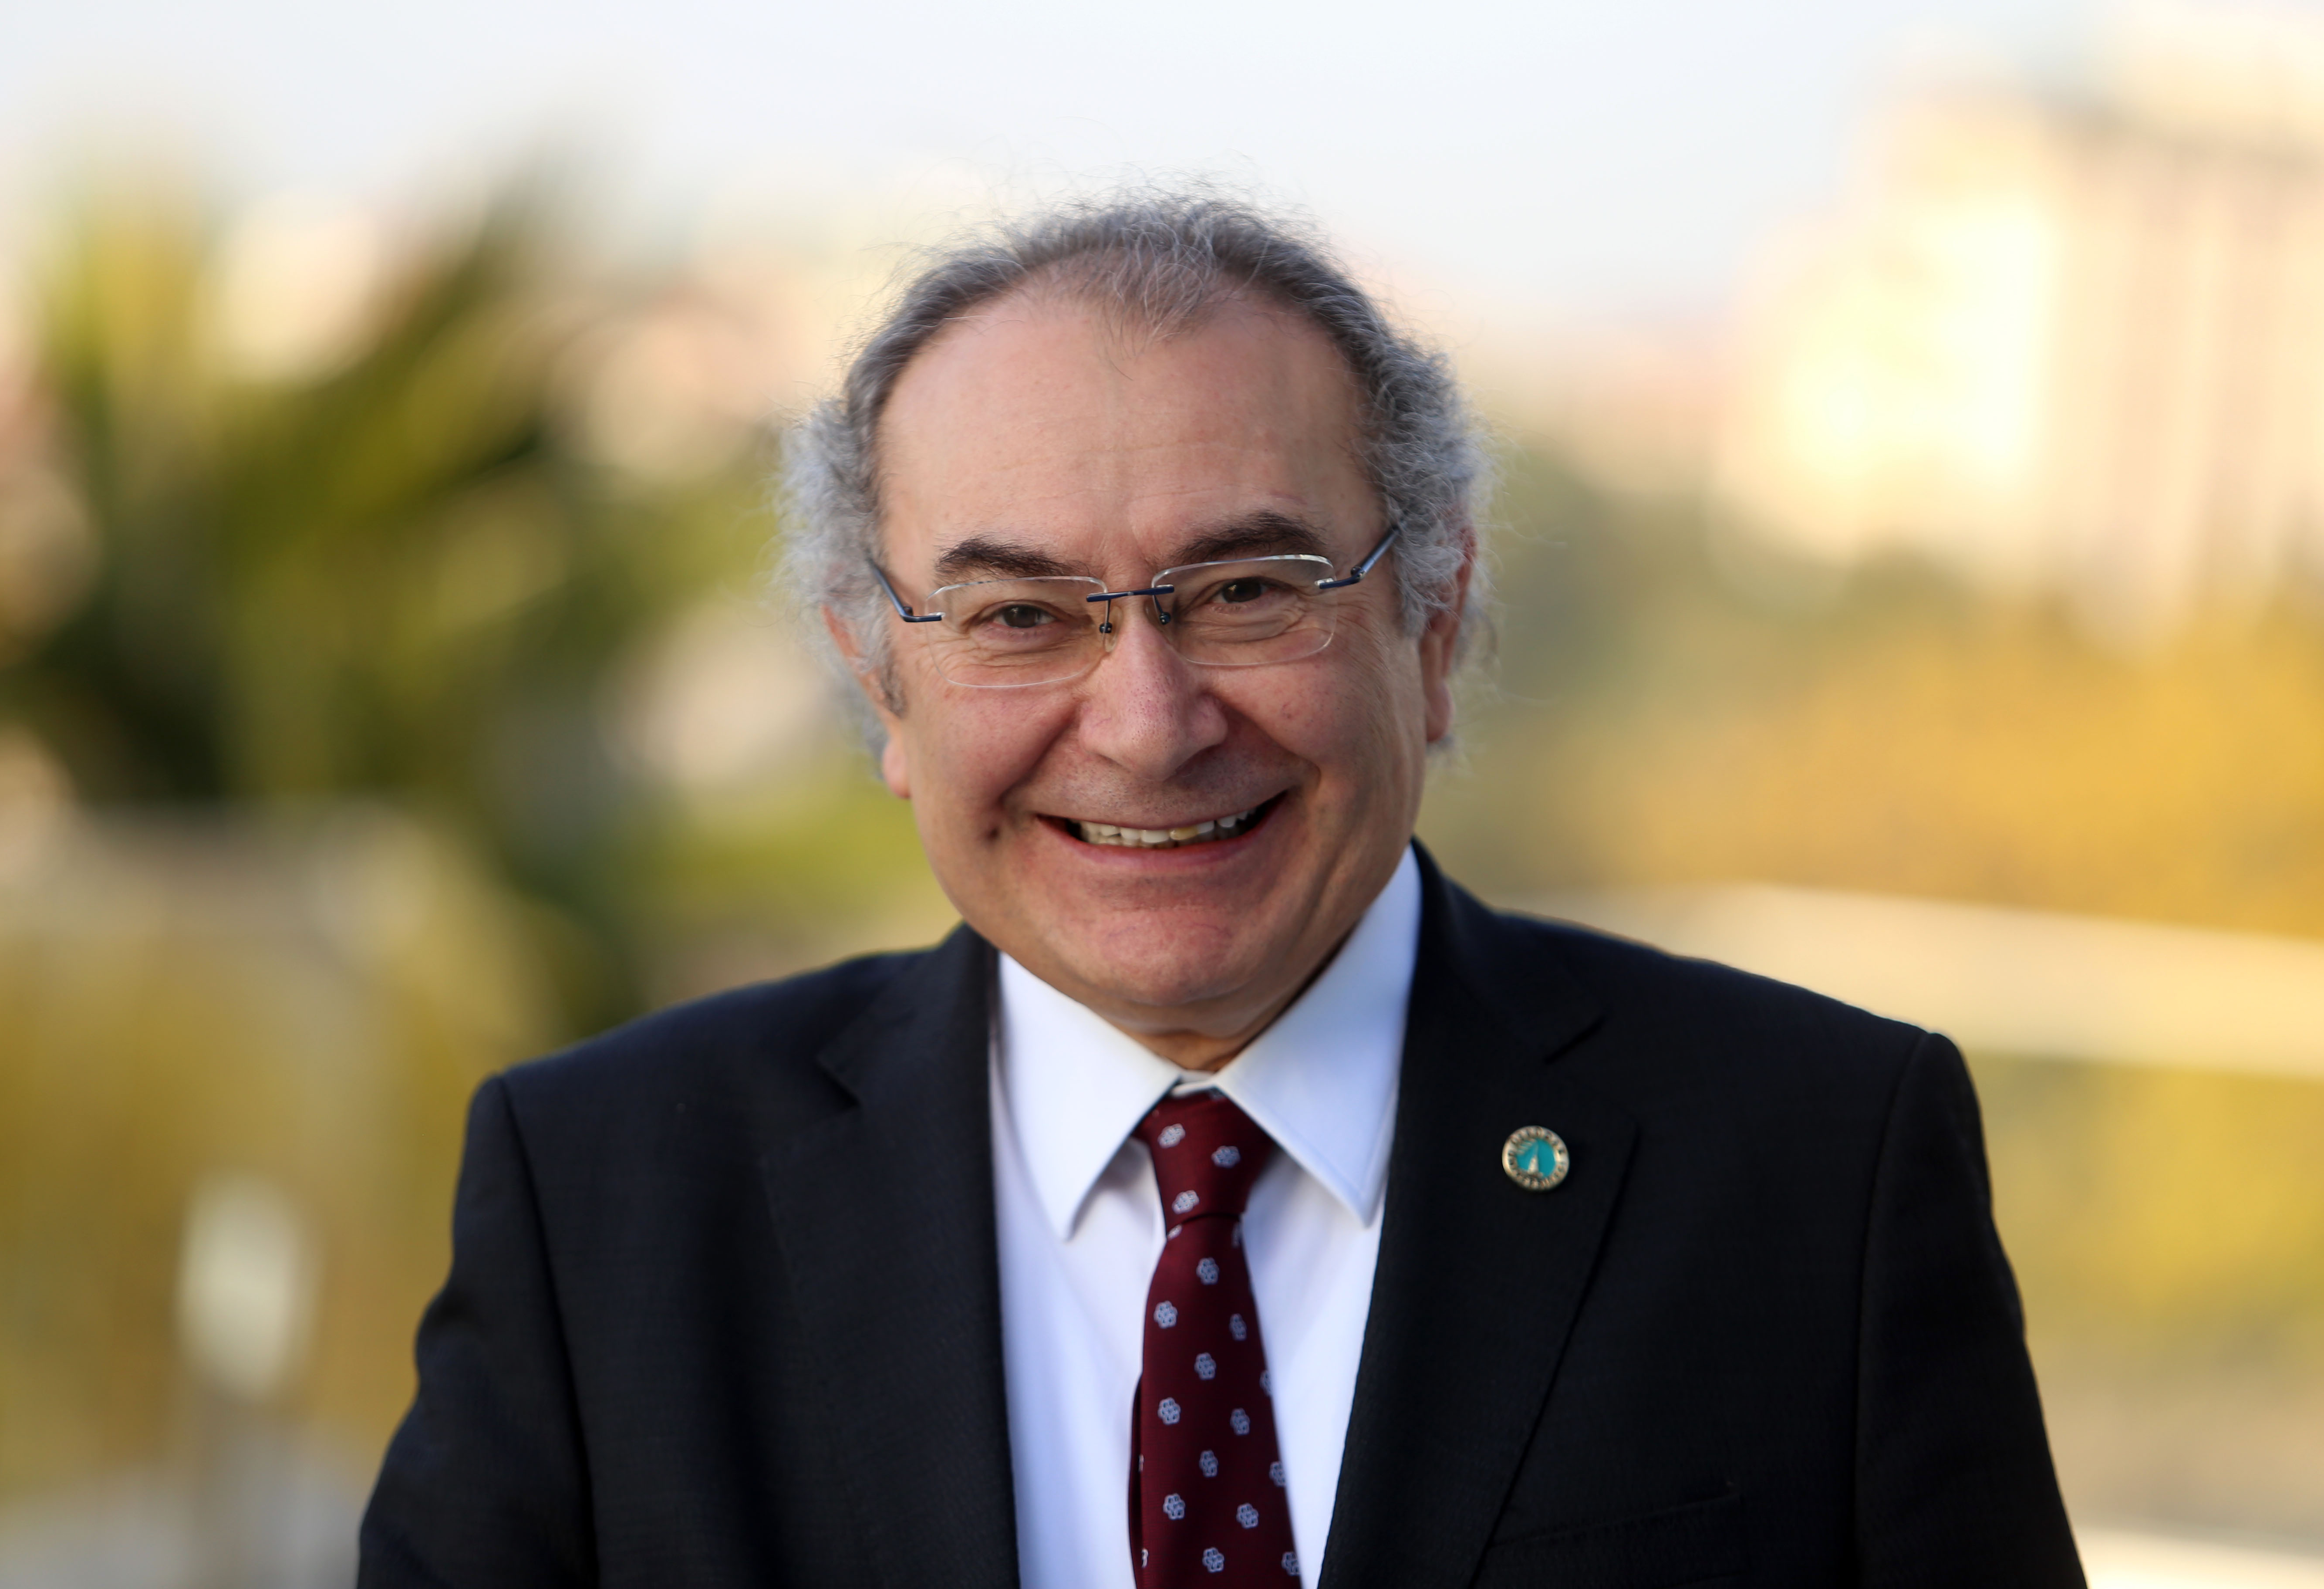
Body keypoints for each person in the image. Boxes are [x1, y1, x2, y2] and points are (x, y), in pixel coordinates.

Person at [359, 191, 2085, 1588]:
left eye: (1248, 592)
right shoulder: (605, 1204)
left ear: (1433, 624)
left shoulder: (1819, 1169)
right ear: (880, 685)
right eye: (1020, 617)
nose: (1147, 723)